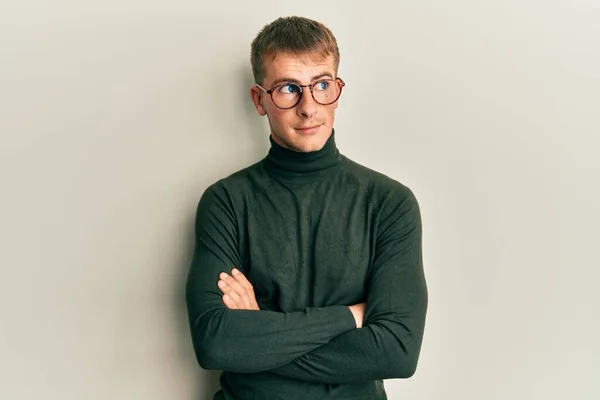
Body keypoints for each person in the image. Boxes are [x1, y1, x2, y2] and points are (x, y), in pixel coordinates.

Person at [185, 16, 428, 400]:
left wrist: (259, 337)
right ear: (259, 100)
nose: (309, 107)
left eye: (321, 84)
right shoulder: (226, 201)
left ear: (337, 88)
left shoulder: (389, 202)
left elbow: (398, 352)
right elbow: (216, 344)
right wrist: (350, 316)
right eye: (287, 89)